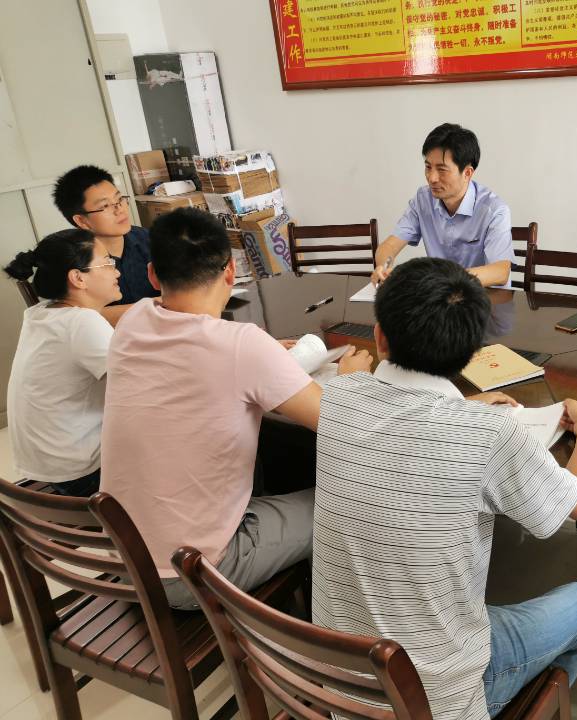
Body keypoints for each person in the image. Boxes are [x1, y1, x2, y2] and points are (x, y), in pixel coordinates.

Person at [313, 257, 577, 719]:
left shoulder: (337, 398)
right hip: (437, 702)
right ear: (472, 354)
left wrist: (464, 406)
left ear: (380, 337)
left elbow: (400, 415)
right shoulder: (491, 434)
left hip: (343, 687)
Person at [99, 208, 371, 609]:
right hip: (189, 574)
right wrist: (351, 378)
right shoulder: (241, 344)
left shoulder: (133, 320)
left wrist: (260, 352)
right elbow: (339, 424)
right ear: (230, 272)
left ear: (153, 276)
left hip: (123, 556)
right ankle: (312, 625)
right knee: (351, 501)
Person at [4, 229, 121, 496]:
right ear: (78, 278)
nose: (116, 271)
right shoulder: (81, 322)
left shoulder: (40, 313)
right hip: (83, 473)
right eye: (107, 262)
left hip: (48, 466)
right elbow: (138, 389)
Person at [371, 123, 515, 288]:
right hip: (441, 296)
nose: (432, 178)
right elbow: (390, 245)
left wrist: (444, 279)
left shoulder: (494, 210)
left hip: (484, 297)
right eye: (428, 167)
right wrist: (383, 267)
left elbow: (500, 271)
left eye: (442, 170)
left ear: (467, 173)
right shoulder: (422, 200)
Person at [53, 164, 160, 321]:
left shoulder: (151, 239)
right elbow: (80, 317)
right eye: (105, 206)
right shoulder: (75, 261)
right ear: (81, 220)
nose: (119, 209)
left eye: (119, 199)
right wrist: (161, 305)